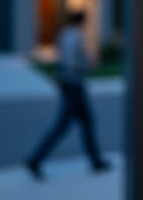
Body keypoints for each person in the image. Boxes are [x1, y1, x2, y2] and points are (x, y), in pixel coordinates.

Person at [26, 11, 110, 179]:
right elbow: (73, 62)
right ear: (81, 21)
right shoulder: (76, 36)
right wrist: (90, 63)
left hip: (70, 84)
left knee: (85, 123)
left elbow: (63, 59)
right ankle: (35, 160)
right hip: (74, 86)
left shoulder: (64, 34)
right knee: (64, 126)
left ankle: (95, 161)